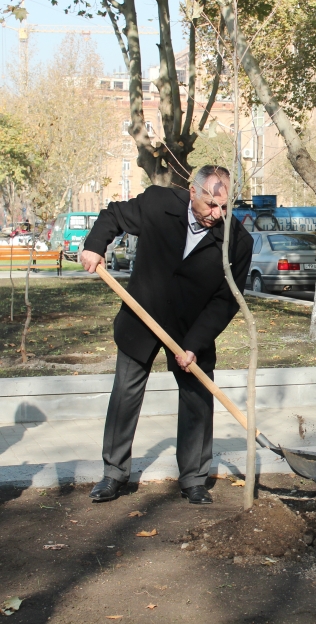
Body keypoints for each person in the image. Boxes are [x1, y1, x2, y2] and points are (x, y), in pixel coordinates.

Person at [80, 166, 253, 505]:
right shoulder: (159, 203)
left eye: (224, 207)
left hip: (191, 328)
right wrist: (95, 245)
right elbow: (113, 214)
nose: (217, 214)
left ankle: (194, 479)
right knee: (125, 395)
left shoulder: (237, 241)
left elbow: (226, 300)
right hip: (141, 315)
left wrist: (194, 344)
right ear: (193, 191)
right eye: (211, 204)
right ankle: (114, 473)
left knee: (197, 400)